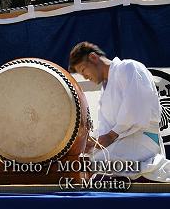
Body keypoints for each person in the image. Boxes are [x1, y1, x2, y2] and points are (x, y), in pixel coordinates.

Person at [69, 41, 170, 181]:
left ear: (93, 57)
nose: (85, 77)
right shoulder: (105, 91)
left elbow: (136, 107)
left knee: (99, 169)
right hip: (121, 144)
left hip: (142, 141)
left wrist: (110, 136)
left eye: (83, 69)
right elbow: (106, 129)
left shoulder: (129, 67)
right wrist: (93, 143)